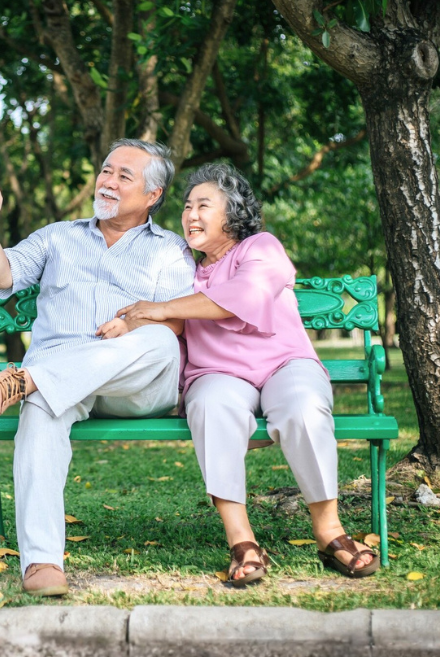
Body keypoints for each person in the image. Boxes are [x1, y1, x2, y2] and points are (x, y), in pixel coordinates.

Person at [118, 162, 380, 585]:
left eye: (204, 205)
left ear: (233, 212)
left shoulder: (260, 247)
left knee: (304, 407)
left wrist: (163, 307)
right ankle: (242, 541)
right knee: (210, 406)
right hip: (216, 373)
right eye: (186, 206)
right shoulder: (181, 266)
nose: (190, 215)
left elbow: (245, 295)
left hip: (283, 363)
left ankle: (329, 530)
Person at [0, 139, 195, 596]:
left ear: (153, 195)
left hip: (138, 385)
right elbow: (0, 278)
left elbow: (175, 324)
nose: (107, 182)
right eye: (106, 171)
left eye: (123, 176)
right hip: (65, 384)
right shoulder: (57, 236)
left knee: (159, 340)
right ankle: (42, 563)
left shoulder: (170, 250)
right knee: (43, 408)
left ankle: (25, 380)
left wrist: (134, 322)